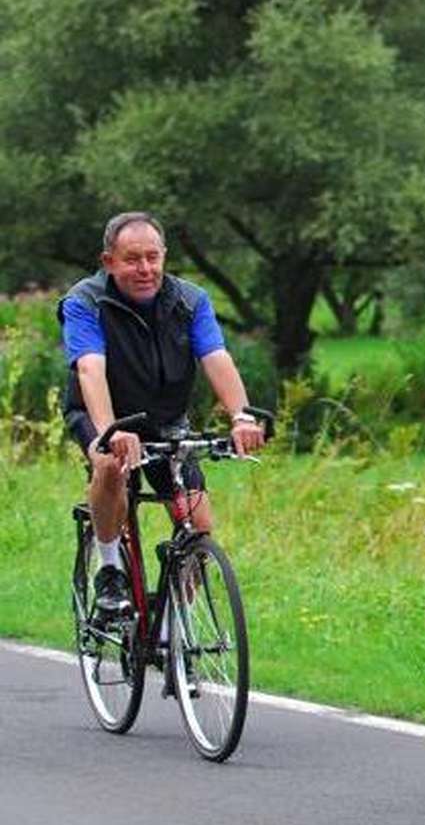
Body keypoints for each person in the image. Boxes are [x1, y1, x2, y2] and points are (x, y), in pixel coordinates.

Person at [59, 211, 268, 614]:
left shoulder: (190, 301)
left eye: (153, 257)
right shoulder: (85, 302)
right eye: (132, 259)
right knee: (108, 464)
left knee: (199, 526)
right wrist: (109, 431)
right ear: (109, 262)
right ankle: (109, 569)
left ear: (164, 257)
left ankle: (173, 628)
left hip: (166, 419)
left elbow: (216, 357)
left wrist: (241, 416)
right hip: (101, 413)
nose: (145, 269)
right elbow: (89, 367)